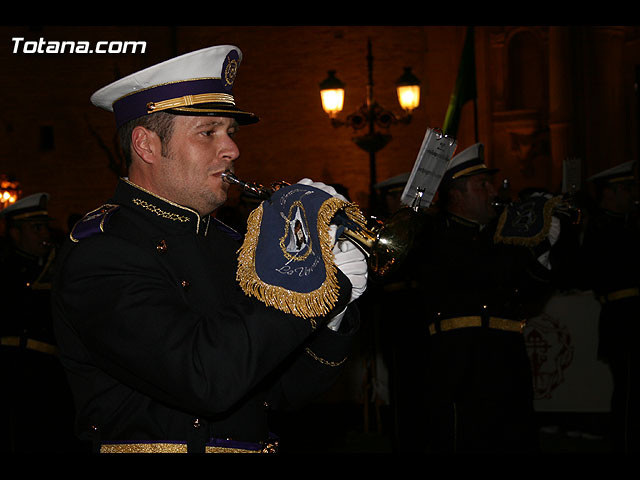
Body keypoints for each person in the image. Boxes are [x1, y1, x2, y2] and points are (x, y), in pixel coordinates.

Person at [51, 45, 368, 454]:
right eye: (208, 132)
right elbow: (205, 379)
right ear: (146, 145)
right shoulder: (103, 252)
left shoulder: (232, 244)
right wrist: (301, 277)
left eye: (230, 133)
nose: (232, 150)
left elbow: (285, 393)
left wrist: (332, 307)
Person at [412, 143, 561, 453]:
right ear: (457, 195)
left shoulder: (500, 237)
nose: (494, 192)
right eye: (483, 185)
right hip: (460, 358)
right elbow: (476, 271)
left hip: (506, 355)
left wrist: (543, 249)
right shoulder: (435, 235)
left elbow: (529, 289)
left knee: (514, 436)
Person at [0, 193, 79, 452]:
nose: (44, 233)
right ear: (15, 234)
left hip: (53, 374)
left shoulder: (59, 264)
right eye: (36, 228)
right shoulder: (7, 267)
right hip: (14, 370)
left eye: (45, 226)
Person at [580, 160, 639, 452]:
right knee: (628, 391)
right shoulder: (602, 228)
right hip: (624, 318)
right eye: (626, 189)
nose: (632, 194)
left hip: (629, 315)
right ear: (609, 194)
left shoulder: (625, 225)